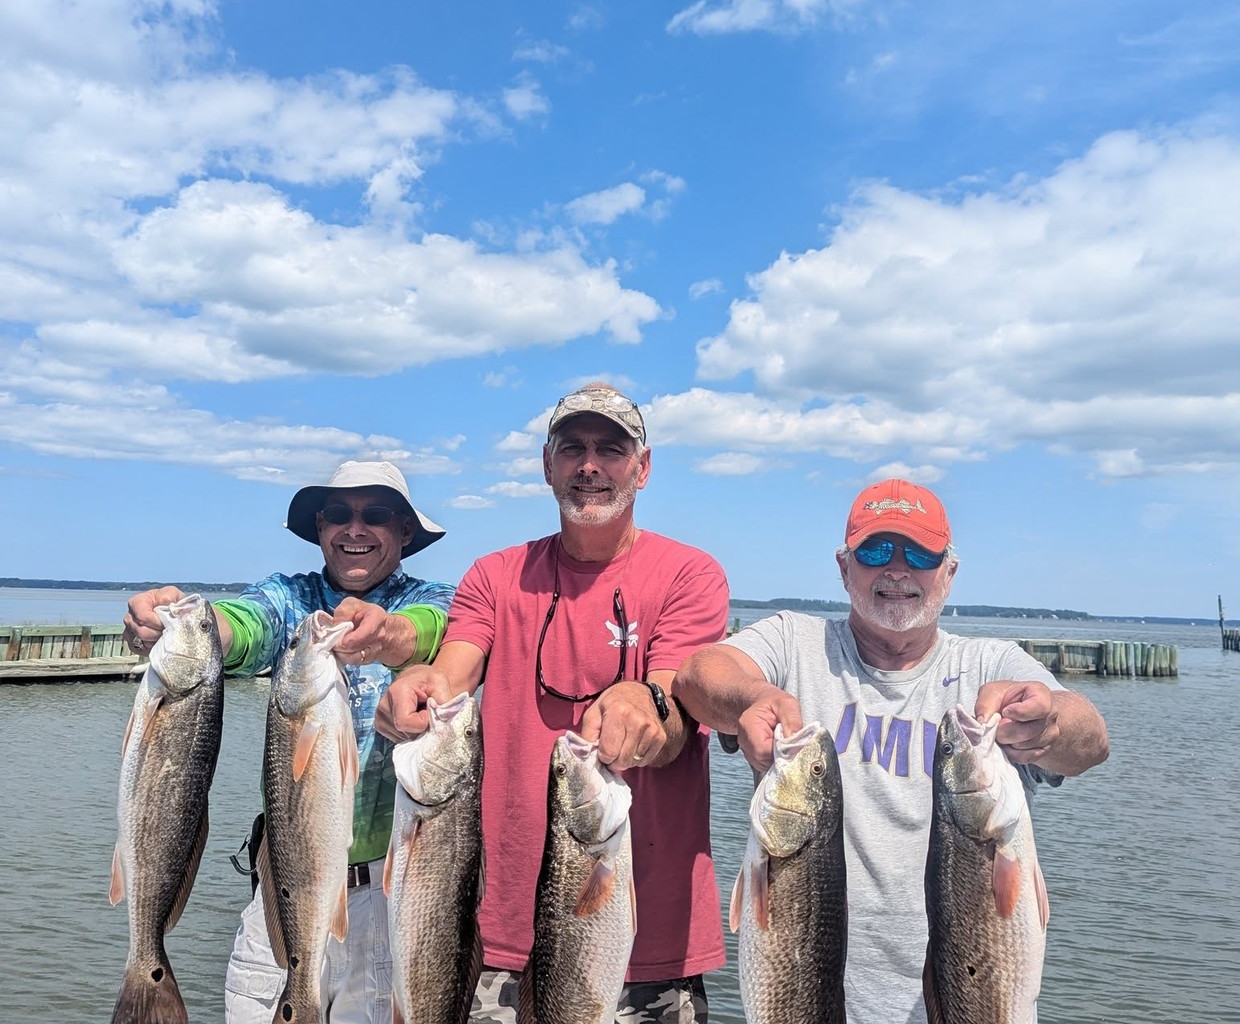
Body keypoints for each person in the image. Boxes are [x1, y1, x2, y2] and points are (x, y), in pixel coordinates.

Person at [672, 477, 1109, 1024]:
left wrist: (1050, 726)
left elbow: (1091, 740)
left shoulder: (991, 664)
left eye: (921, 554)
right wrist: (753, 696)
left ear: (949, 571)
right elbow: (696, 675)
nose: (897, 570)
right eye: (876, 551)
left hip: (975, 995)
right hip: (807, 996)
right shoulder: (794, 643)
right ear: (843, 566)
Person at [376, 383, 729, 1023]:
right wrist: (419, 688)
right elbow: (455, 669)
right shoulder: (495, 574)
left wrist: (645, 703)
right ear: (547, 464)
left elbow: (678, 708)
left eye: (610, 449)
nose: (590, 465)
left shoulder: (689, 575)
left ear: (642, 468)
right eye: (572, 449)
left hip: (647, 940)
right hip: (495, 940)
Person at [122, 459, 456, 1024]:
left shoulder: (445, 599)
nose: (355, 529)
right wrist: (186, 629)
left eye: (375, 514)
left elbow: (432, 629)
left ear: (404, 531)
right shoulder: (290, 598)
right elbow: (246, 623)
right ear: (319, 528)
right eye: (337, 515)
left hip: (392, 896)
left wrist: (389, 634)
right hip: (280, 884)